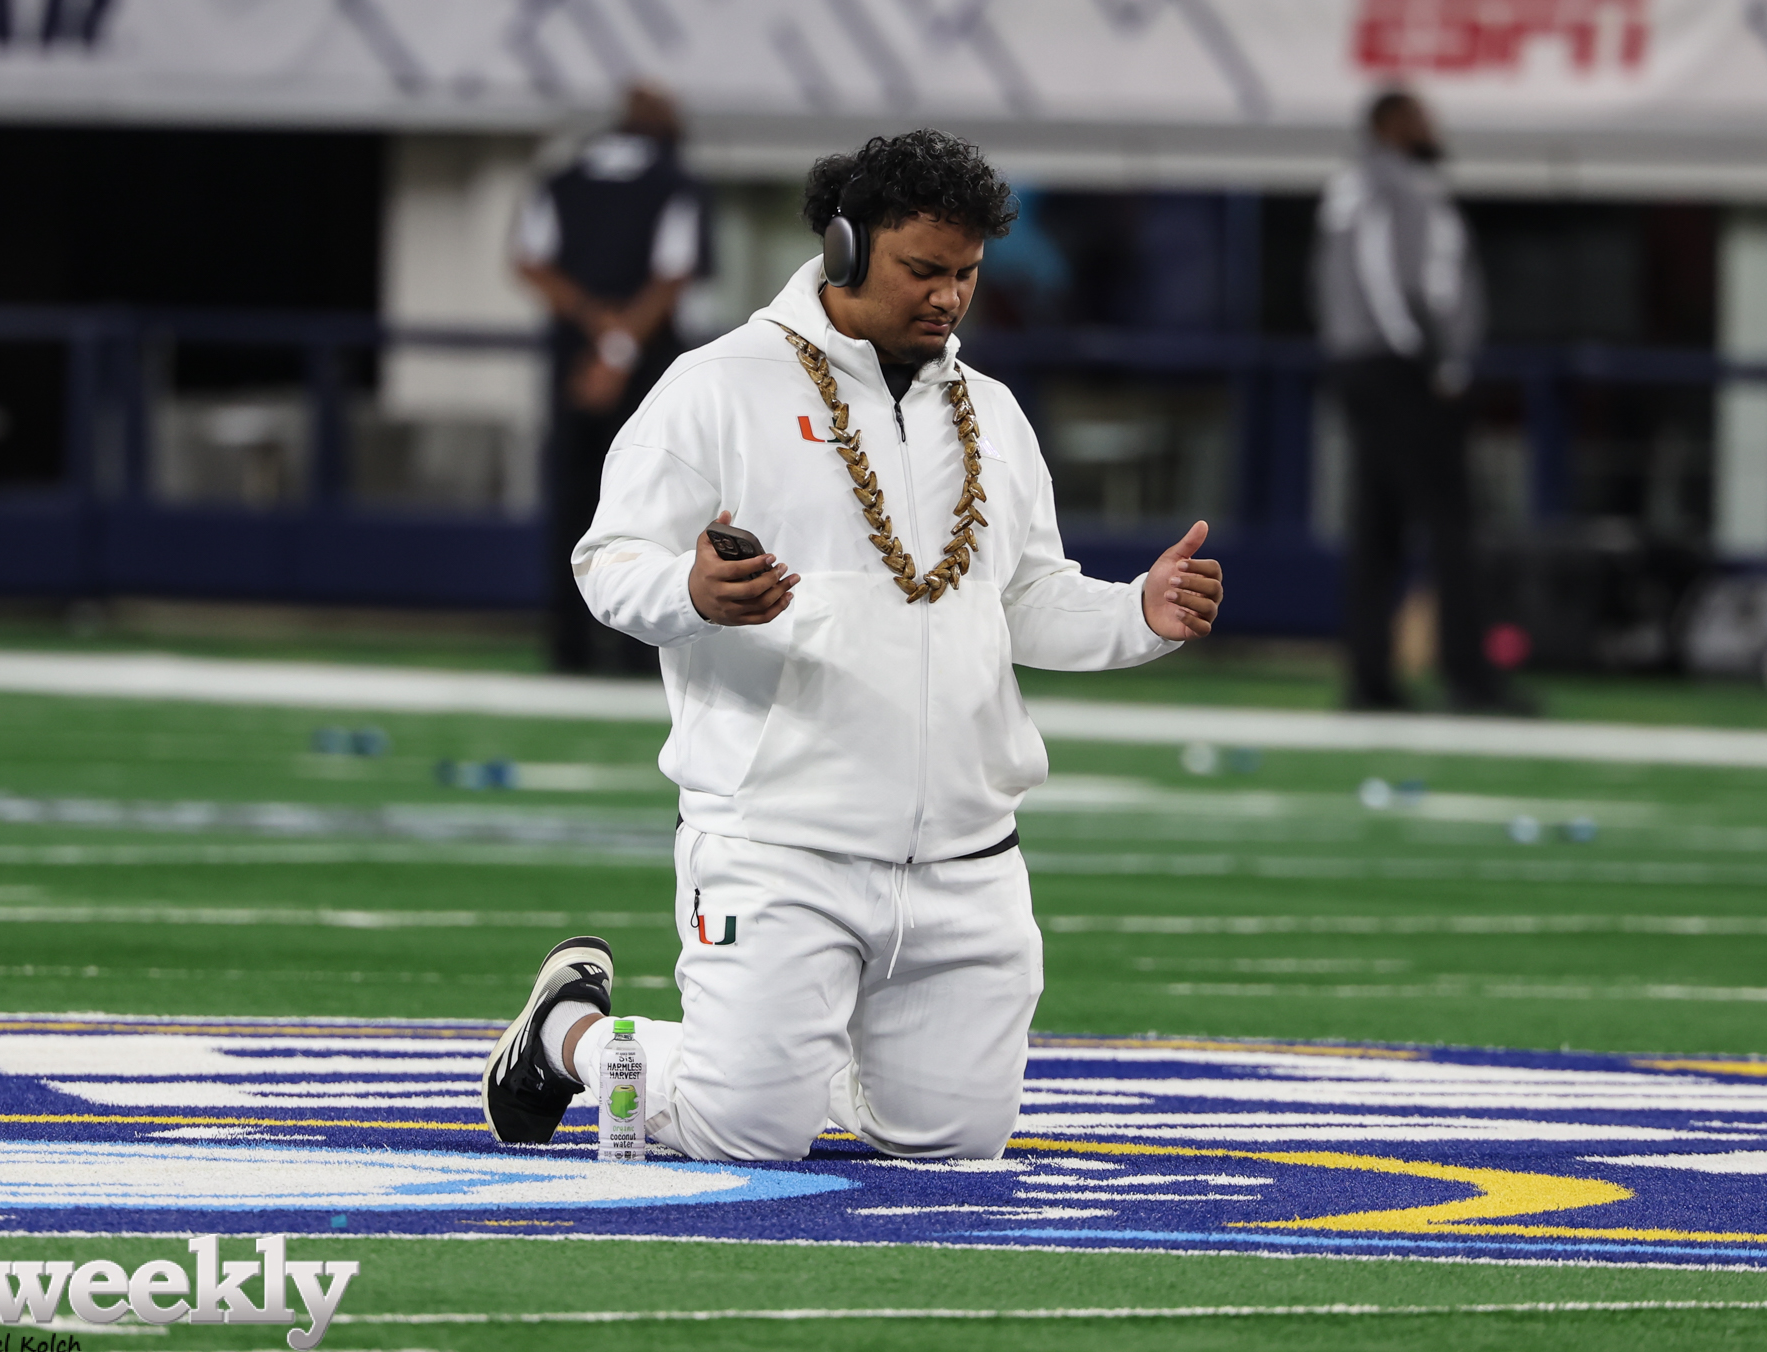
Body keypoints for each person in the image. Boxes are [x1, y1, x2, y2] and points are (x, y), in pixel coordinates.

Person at [482, 130, 1223, 1162]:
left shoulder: (994, 414)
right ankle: (571, 1032)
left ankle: (791, 1051)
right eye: (923, 269)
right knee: (742, 1132)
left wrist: (1137, 612)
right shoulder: (718, 385)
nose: (949, 297)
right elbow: (606, 563)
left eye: (966, 273)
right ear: (843, 248)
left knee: (955, 1146)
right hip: (780, 842)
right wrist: (690, 591)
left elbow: (1022, 600)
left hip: (967, 854)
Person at [1314, 89, 1517, 713]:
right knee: (1452, 523)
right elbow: (1392, 276)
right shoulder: (1393, 185)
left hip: (1365, 363)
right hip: (1402, 367)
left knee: (1378, 526)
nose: (1433, 127)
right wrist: (1435, 358)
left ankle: (1371, 677)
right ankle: (1469, 676)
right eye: (1419, 118)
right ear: (1389, 125)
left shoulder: (1353, 186)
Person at [514, 83, 710, 675]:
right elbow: (673, 276)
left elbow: (532, 263)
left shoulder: (560, 179)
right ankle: (635, 651)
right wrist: (619, 348)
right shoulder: (677, 183)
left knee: (571, 502)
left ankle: (569, 648)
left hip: (574, 364)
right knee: (652, 501)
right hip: (644, 369)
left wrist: (594, 331)